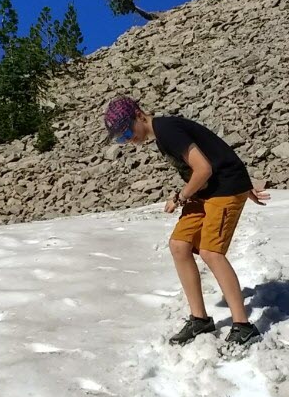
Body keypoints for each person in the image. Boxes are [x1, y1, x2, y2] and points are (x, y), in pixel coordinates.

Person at [103, 96, 268, 349]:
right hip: (208, 190)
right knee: (179, 245)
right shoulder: (162, 134)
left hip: (224, 189)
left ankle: (244, 326)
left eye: (126, 132)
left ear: (138, 115)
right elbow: (215, 149)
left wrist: (180, 197)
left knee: (211, 252)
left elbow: (203, 169)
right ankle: (199, 320)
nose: (128, 140)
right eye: (121, 139)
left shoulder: (167, 130)